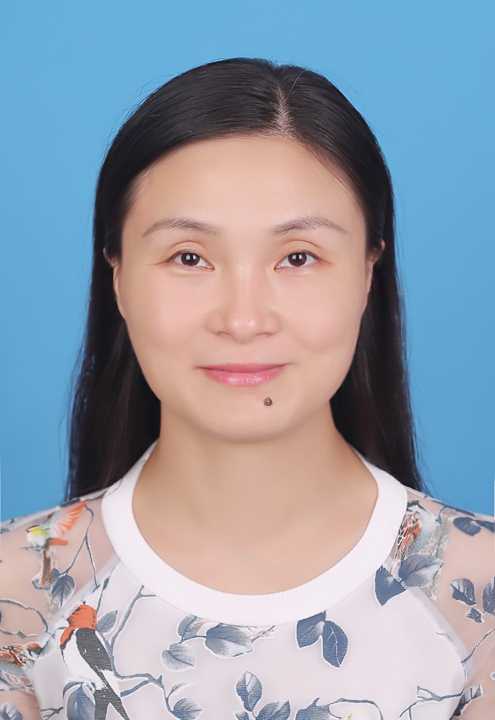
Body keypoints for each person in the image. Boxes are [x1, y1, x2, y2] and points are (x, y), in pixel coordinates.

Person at [1, 57, 493, 719]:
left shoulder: (478, 595)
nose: (242, 319)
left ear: (367, 273)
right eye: (189, 257)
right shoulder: (16, 593)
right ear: (117, 275)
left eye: (297, 257)